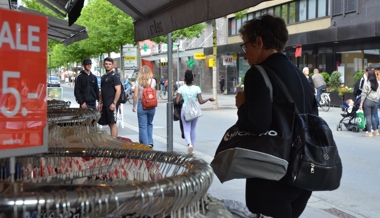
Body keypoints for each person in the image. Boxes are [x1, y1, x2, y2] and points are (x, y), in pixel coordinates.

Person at [235, 15, 317, 217]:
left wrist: (242, 105)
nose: (245, 56)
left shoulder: (257, 73)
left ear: (259, 42)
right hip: (304, 172)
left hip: (274, 174)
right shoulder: (300, 75)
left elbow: (257, 124)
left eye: (246, 47)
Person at [176, 70, 214, 155]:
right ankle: (192, 147)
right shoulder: (197, 88)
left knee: (186, 129)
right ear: (192, 79)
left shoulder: (181, 89)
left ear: (185, 79)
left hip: (185, 110)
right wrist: (208, 99)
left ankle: (189, 145)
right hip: (194, 111)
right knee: (193, 129)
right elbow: (200, 101)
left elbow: (177, 101)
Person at [132, 66, 157, 147]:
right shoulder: (153, 81)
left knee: (143, 126)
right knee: (149, 124)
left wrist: (134, 106)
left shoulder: (138, 81)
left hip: (142, 105)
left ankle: (145, 145)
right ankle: (150, 142)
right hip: (152, 105)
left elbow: (135, 95)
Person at [97, 57, 121, 137]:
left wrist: (114, 103)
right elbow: (101, 91)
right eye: (106, 64)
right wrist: (100, 102)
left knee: (112, 123)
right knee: (109, 123)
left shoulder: (115, 76)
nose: (108, 66)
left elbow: (118, 90)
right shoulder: (103, 77)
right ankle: (113, 140)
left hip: (112, 104)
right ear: (103, 65)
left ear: (112, 65)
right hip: (105, 104)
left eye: (109, 64)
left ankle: (114, 142)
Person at [359, 69, 380, 137]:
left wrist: (361, 103)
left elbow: (364, 93)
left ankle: (369, 132)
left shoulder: (367, 82)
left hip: (368, 101)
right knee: (372, 116)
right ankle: (376, 131)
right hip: (375, 102)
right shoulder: (377, 83)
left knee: (368, 116)